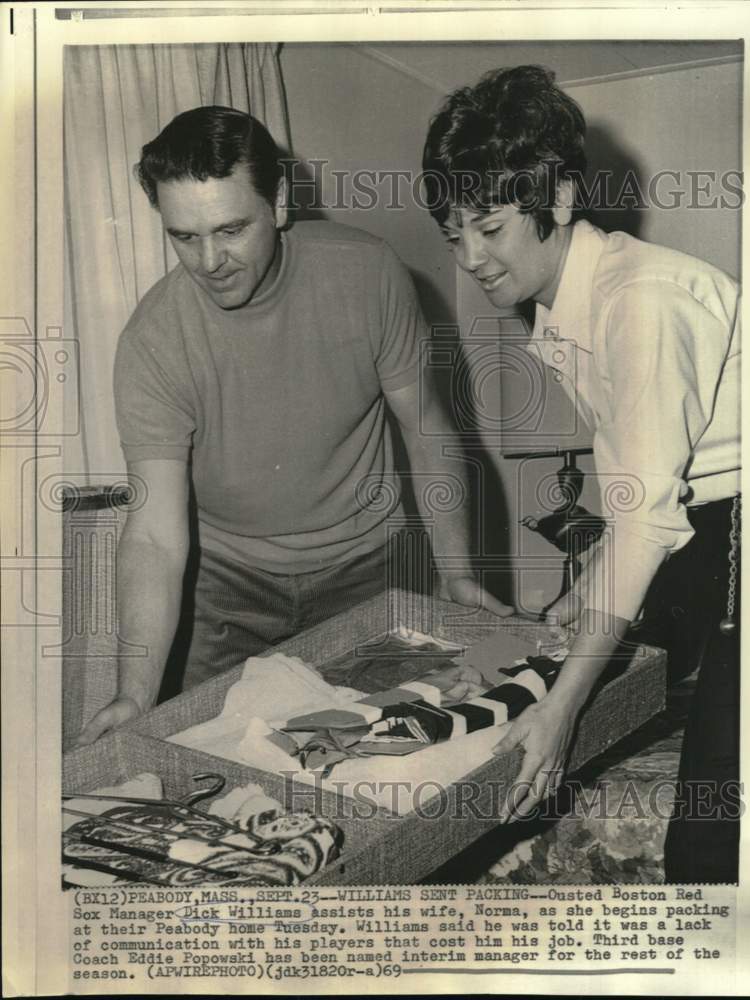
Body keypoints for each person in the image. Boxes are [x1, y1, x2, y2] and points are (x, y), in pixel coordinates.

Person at [77, 105, 510, 746]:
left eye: (230, 229)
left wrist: (456, 572)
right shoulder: (153, 340)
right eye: (184, 237)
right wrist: (133, 693)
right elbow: (155, 536)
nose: (210, 260)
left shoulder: (368, 274)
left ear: (279, 204)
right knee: (218, 766)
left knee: (385, 753)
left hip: (371, 563)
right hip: (225, 589)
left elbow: (428, 431)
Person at [422, 65, 741, 883]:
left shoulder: (638, 300)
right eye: (454, 233)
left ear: (558, 198)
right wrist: (583, 589)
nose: (471, 257)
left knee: (712, 836)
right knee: (582, 629)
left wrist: (564, 709)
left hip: (740, 526)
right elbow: (641, 487)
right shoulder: (568, 307)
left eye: (489, 227)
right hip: (714, 523)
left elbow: (645, 520)